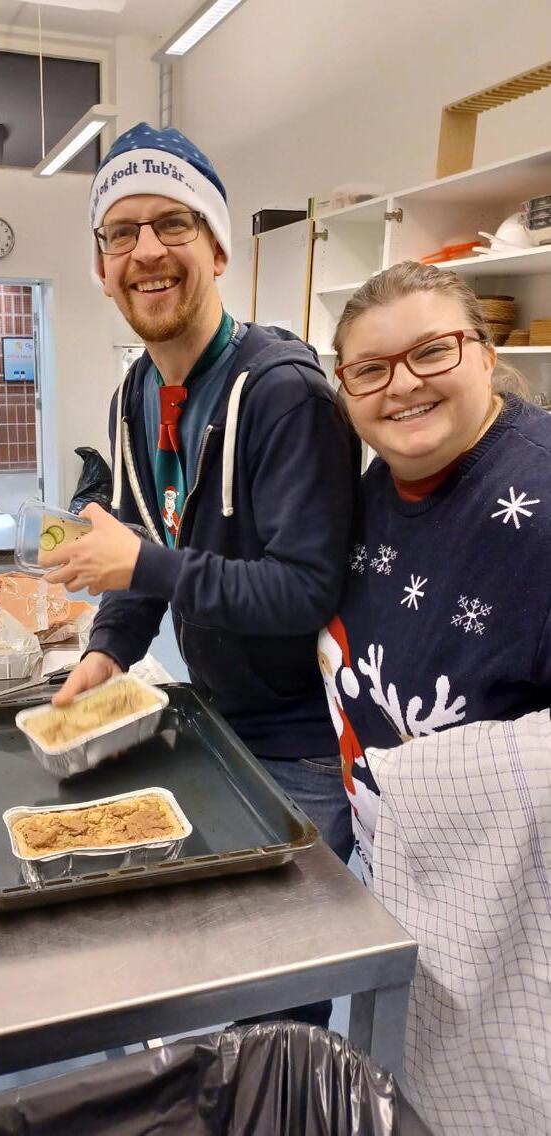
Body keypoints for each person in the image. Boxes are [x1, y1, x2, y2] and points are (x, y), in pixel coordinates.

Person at [41, 122, 360, 880]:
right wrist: (109, 651)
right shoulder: (135, 394)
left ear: (217, 250)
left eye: (173, 223)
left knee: (276, 951)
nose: (146, 250)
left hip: (301, 746)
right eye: (121, 233)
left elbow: (305, 590)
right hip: (215, 714)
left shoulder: (285, 395)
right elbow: (142, 548)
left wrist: (143, 565)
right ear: (103, 269)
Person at [322, 260, 551, 1132]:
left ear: (485, 354)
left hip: (512, 930)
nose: (402, 385)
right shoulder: (376, 489)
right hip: (404, 882)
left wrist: (428, 782)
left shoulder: (536, 498)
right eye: (369, 369)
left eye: (431, 352)